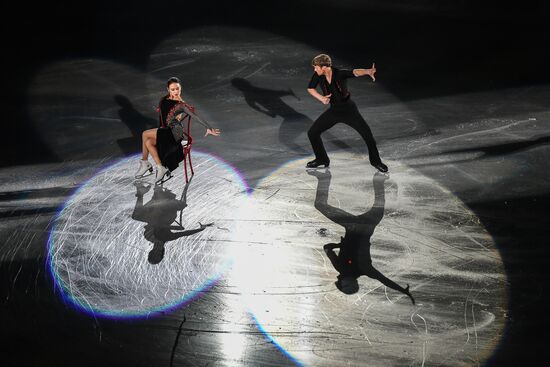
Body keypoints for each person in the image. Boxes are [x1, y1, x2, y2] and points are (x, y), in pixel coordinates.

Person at [306, 54, 388, 172]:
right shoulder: (318, 75)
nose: (314, 69)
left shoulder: (339, 74)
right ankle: (321, 159)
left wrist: (367, 71)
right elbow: (310, 88)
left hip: (349, 111)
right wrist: (321, 98)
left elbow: (354, 72)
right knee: (312, 133)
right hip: (334, 111)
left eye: (316, 67)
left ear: (324, 67)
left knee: (368, 136)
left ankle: (376, 162)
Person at [135, 77, 221, 183]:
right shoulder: (164, 99)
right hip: (165, 130)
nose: (175, 91)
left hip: (174, 133)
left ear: (180, 89)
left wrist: (208, 127)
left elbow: (195, 116)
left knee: (145, 134)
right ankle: (159, 166)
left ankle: (146, 163)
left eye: (177, 89)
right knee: (148, 141)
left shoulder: (181, 105)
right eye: (173, 89)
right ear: (168, 89)